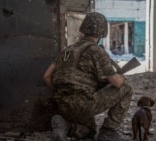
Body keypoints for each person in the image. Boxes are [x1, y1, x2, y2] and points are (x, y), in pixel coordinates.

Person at [43, 12, 133, 141]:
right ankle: (108, 132)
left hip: (62, 106)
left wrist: (63, 94)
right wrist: (121, 77)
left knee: (90, 132)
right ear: (102, 32)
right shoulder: (96, 51)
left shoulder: (66, 50)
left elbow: (46, 76)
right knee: (126, 88)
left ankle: (67, 125)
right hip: (84, 105)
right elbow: (117, 83)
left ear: (84, 29)